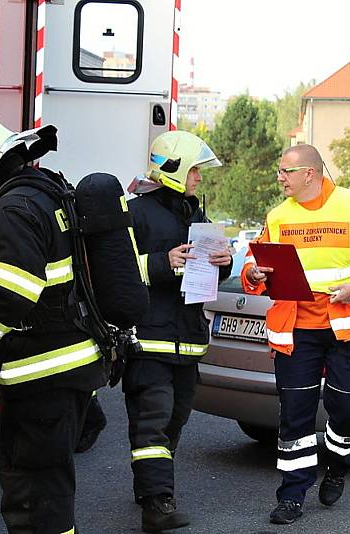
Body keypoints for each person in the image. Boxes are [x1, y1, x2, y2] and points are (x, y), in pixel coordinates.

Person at [0, 109, 107, 533]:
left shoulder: (13, 207)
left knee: (35, 504)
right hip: (64, 372)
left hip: (43, 381)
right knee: (48, 497)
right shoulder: (44, 192)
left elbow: (12, 295)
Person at [242, 144, 350, 525]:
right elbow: (256, 258)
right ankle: (292, 496)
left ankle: (338, 462)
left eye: (286, 171)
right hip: (296, 328)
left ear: (310, 174)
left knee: (349, 409)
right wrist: (252, 273)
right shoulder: (279, 215)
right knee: (294, 418)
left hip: (345, 326)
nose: (280, 177)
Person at [124, 130, 232, 533]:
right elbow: (112, 271)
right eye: (194, 171)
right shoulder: (134, 213)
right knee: (153, 420)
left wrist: (224, 263)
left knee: (175, 420)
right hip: (147, 340)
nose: (199, 179)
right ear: (173, 170)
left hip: (187, 341)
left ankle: (149, 483)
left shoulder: (195, 216)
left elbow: (208, 272)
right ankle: (157, 504)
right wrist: (160, 262)